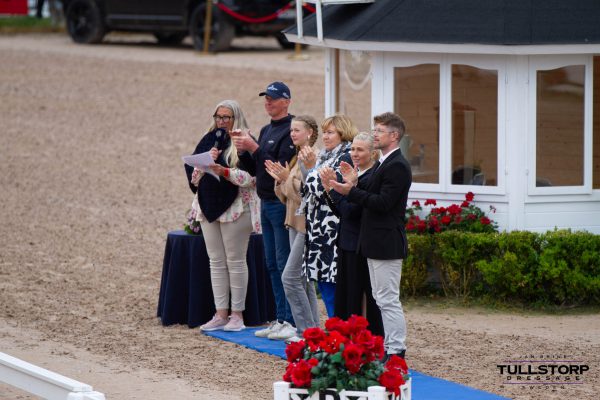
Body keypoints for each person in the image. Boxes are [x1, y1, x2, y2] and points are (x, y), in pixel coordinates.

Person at [328, 112, 412, 360]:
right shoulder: (385, 162)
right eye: (374, 130)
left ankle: (396, 349)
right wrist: (351, 186)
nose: (375, 134)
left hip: (386, 242)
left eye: (380, 131)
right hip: (373, 242)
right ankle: (390, 346)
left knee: (387, 299)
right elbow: (369, 194)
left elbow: (383, 203)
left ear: (394, 135)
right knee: (380, 298)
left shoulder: (397, 165)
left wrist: (351, 191)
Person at [184, 100, 261, 332]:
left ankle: (237, 315)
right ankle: (220, 313)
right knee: (215, 261)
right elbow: (193, 175)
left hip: (237, 206)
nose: (222, 122)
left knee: (235, 260)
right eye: (219, 116)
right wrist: (204, 162)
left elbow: (253, 177)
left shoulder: (245, 141)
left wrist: (224, 171)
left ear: (236, 118)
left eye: (227, 117)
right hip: (208, 205)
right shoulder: (209, 138)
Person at [231, 82, 296, 338]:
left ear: (286, 101)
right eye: (266, 99)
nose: (268, 102)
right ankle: (280, 317)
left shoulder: (291, 129)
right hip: (264, 201)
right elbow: (255, 168)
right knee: (270, 262)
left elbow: (278, 166)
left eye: (273, 98)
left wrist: (255, 147)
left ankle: (291, 319)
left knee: (283, 262)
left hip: (281, 203)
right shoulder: (266, 128)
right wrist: (243, 151)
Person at [319, 132, 384, 336]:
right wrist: (331, 191)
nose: (354, 153)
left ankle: (366, 338)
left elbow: (351, 211)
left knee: (361, 296)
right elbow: (340, 212)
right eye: (353, 149)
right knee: (346, 295)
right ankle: (347, 337)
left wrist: (336, 190)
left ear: (373, 153)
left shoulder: (373, 177)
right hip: (346, 241)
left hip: (361, 244)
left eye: (360, 149)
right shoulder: (353, 173)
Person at [265, 115, 320, 341]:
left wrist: (287, 179)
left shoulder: (312, 158)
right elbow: (288, 197)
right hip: (292, 222)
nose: (292, 134)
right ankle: (313, 330)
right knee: (304, 281)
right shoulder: (296, 157)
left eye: (297, 130)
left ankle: (304, 331)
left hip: (305, 226)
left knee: (290, 277)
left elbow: (306, 194)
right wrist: (280, 181)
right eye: (291, 131)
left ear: (309, 133)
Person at [302, 114, 358, 317]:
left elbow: (322, 188)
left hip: (333, 228)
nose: (325, 136)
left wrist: (311, 169)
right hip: (319, 229)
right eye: (324, 132)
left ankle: (340, 330)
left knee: (333, 285)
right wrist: (313, 170)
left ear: (342, 133)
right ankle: (335, 328)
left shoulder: (346, 155)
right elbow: (307, 188)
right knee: (324, 284)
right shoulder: (326, 155)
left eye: (330, 132)